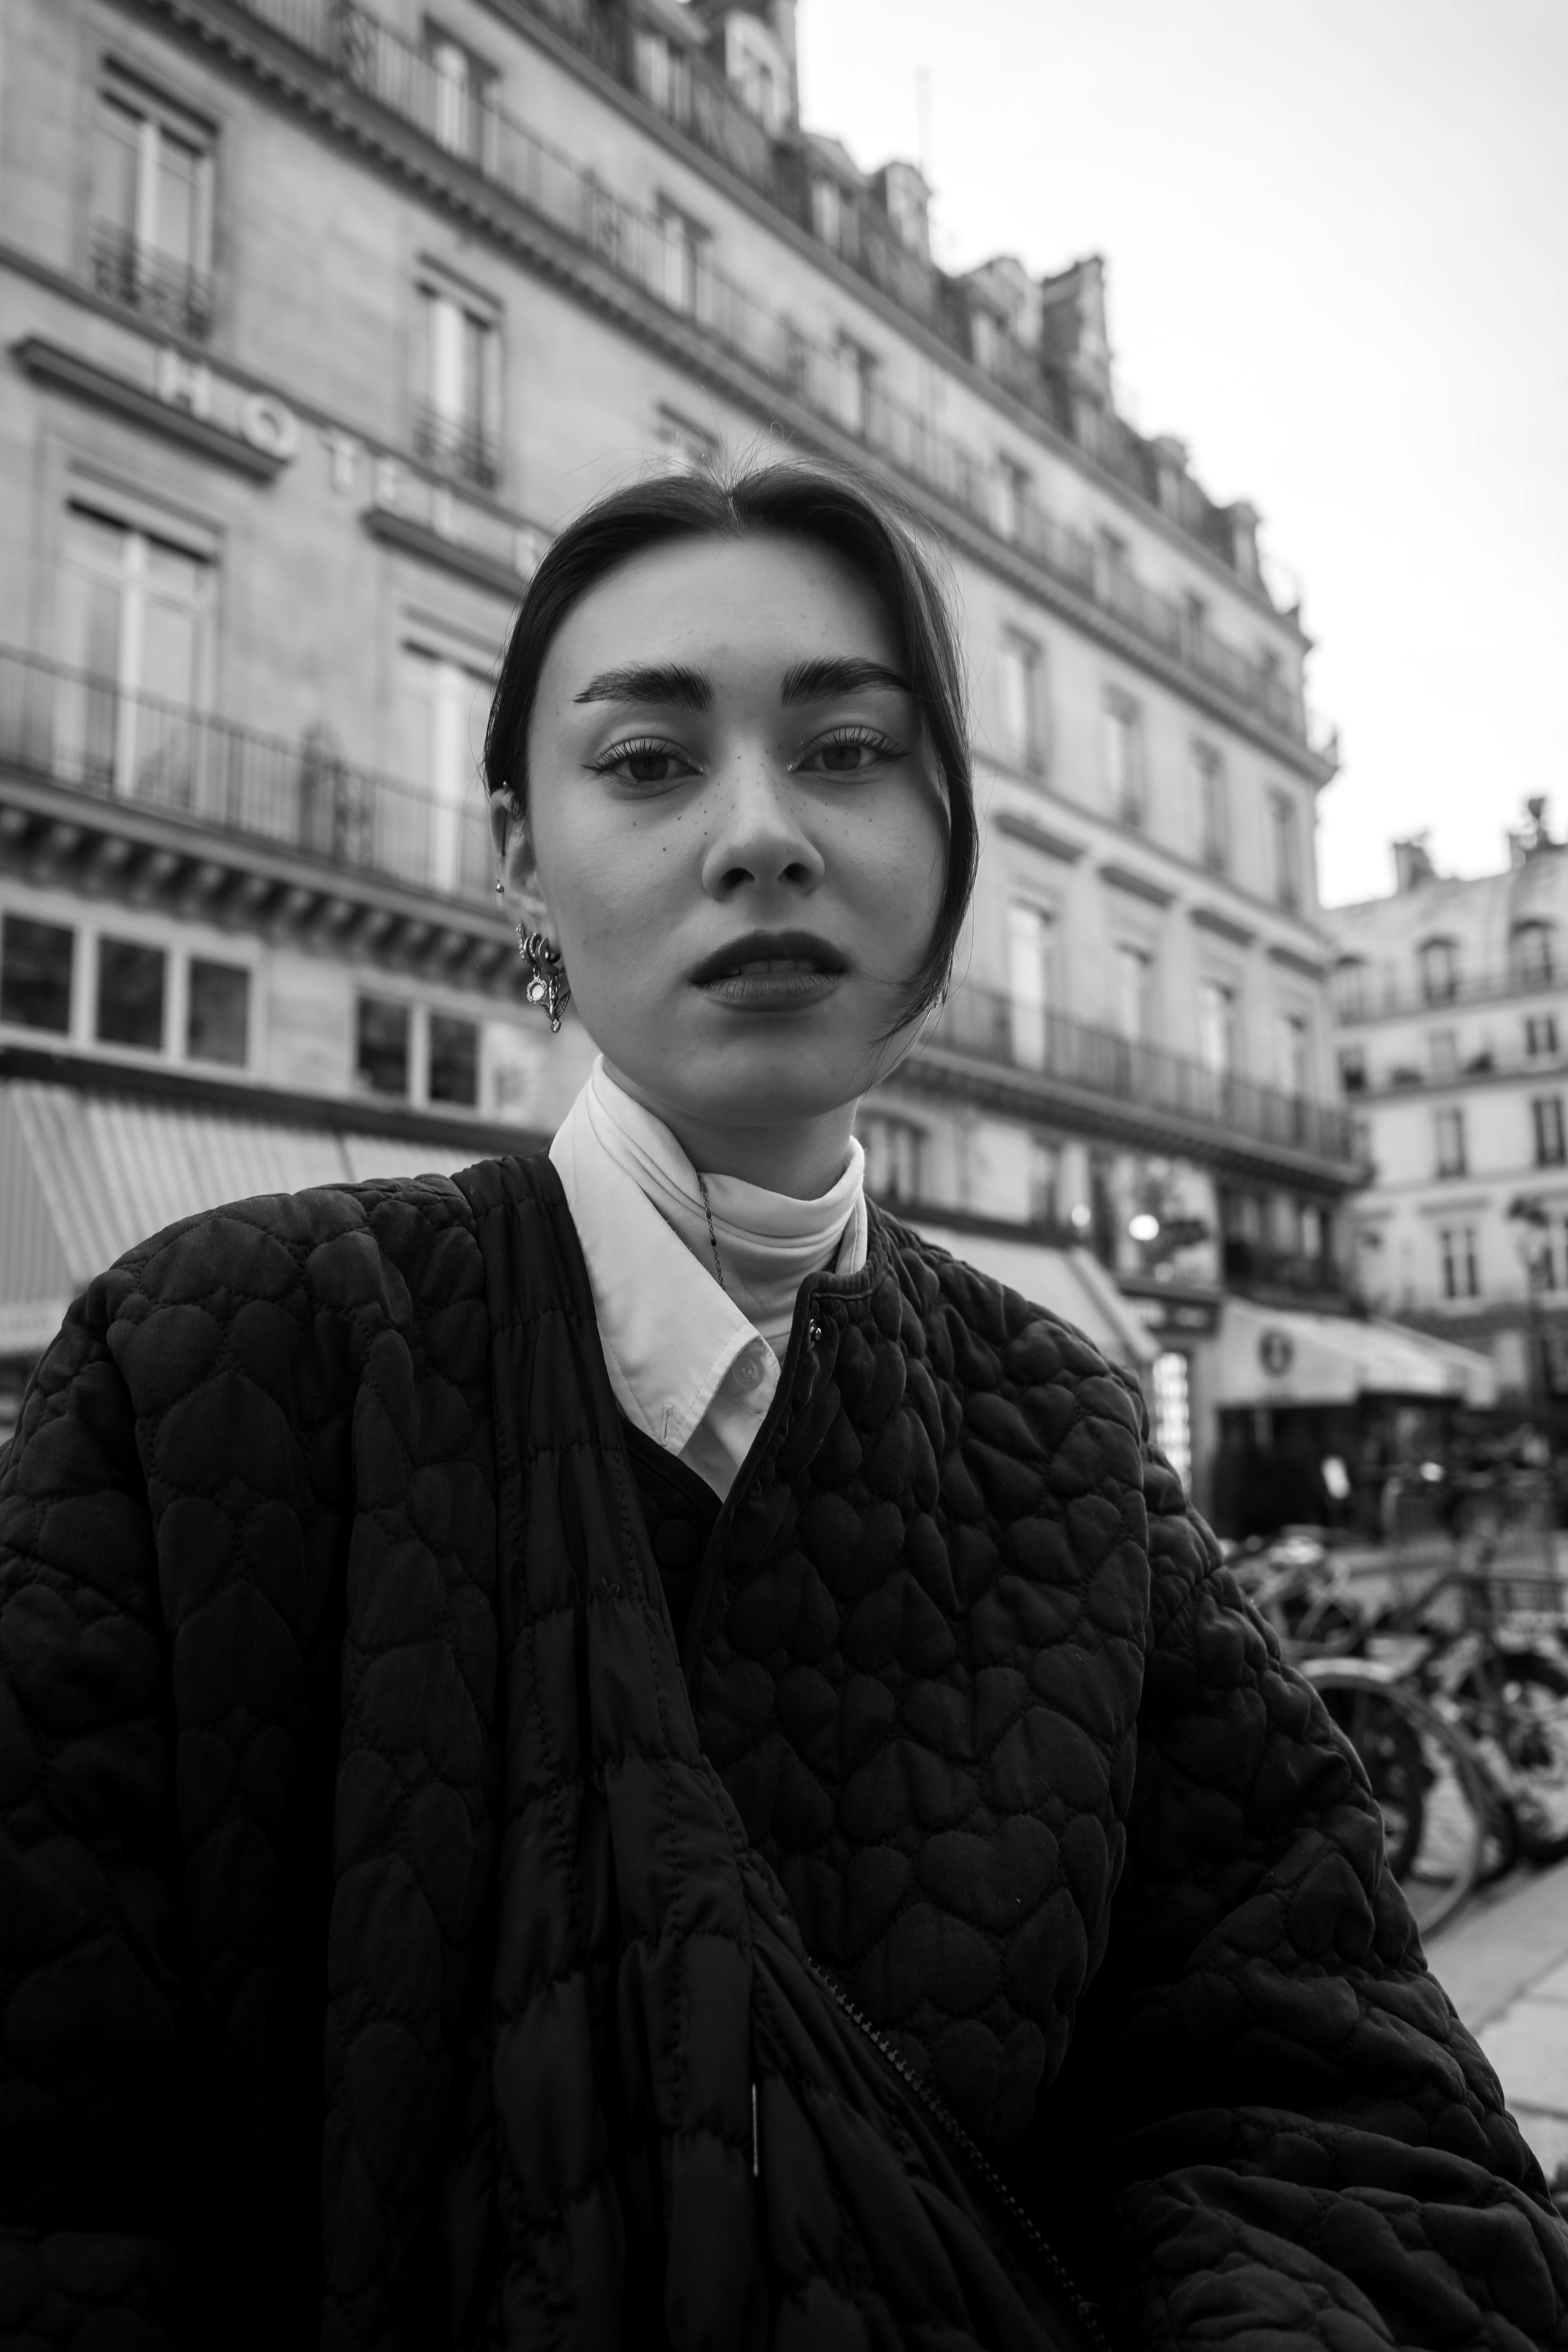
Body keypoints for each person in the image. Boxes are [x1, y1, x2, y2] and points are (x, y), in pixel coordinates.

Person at [0, 462, 1561, 2352]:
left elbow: (1358, 2127)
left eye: (846, 752)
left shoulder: (1072, 1442)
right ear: (520, 863)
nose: (760, 835)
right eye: (648, 761)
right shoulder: (203, 1368)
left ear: (949, 842)